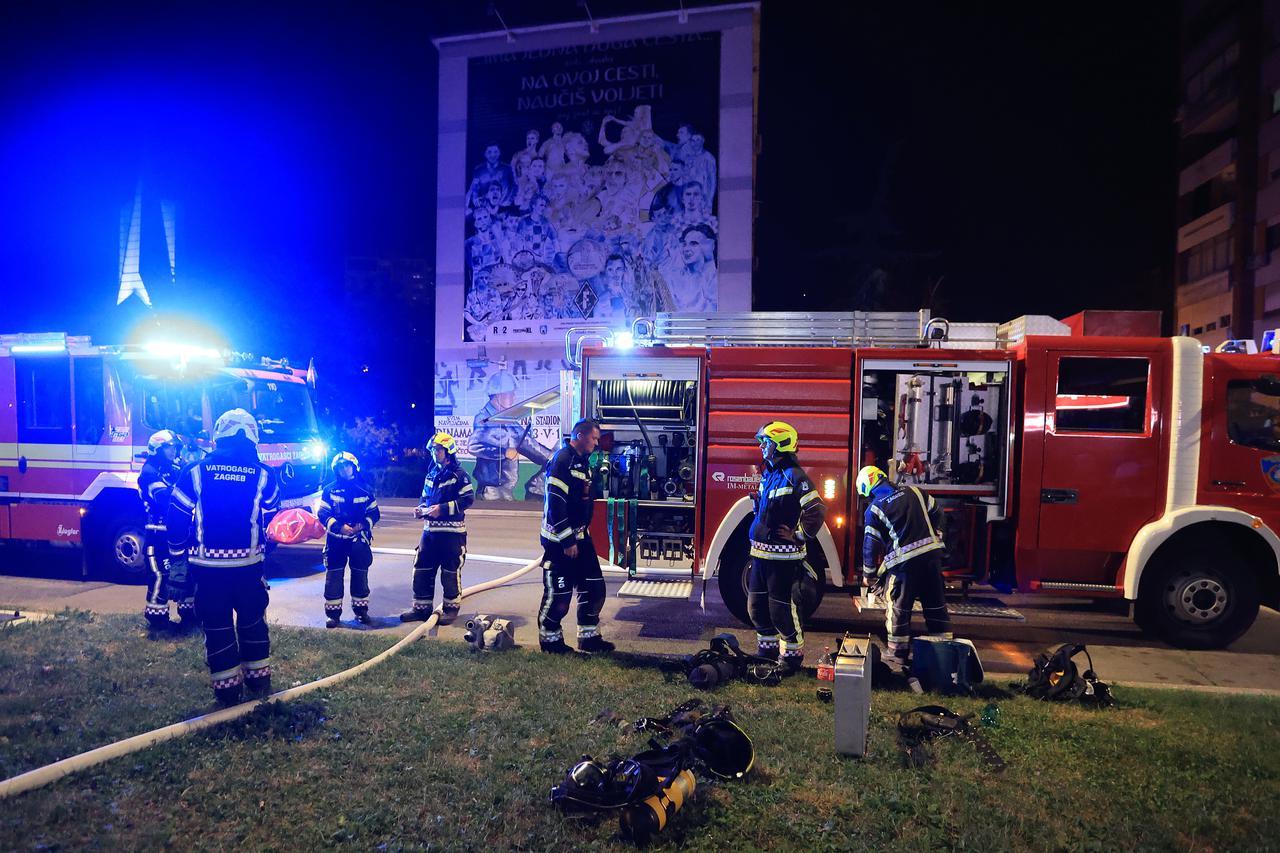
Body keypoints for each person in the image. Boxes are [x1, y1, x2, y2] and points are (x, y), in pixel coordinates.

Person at [166, 409, 280, 705]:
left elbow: (176, 519)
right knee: (253, 622)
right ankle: (258, 681)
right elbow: (273, 515)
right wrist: (266, 547)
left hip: (208, 570)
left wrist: (177, 559)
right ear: (252, 438)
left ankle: (227, 691)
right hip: (249, 568)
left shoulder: (194, 471)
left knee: (217, 626)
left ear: (219, 436)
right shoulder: (264, 474)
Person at [748, 422, 827, 672]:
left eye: (766, 442)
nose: (761, 446)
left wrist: (799, 535)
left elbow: (816, 509)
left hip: (783, 560)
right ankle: (767, 654)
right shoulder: (770, 474)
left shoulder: (795, 475)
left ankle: (791, 659)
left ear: (780, 444)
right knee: (757, 609)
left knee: (781, 611)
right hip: (760, 556)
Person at [857, 465, 952, 666]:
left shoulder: (874, 508)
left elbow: (870, 544)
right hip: (932, 557)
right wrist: (937, 533)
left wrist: (869, 574)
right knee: (935, 604)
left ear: (867, 488)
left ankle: (897, 652)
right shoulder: (915, 491)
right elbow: (938, 512)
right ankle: (945, 651)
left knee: (898, 607)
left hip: (904, 565)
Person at [538, 418, 613, 655]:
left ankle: (589, 638)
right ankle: (550, 642)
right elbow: (556, 503)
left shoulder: (581, 461)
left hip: (581, 538)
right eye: (594, 438)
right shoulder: (562, 460)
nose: (596, 443)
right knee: (559, 595)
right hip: (560, 542)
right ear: (580, 436)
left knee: (594, 587)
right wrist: (567, 541)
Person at [402, 432, 475, 623]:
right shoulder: (431, 474)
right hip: (430, 533)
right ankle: (421, 609)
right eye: (433, 450)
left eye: (439, 449)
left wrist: (441, 509)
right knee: (422, 568)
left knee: (450, 571)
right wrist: (421, 509)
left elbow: (468, 499)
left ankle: (450, 610)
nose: (435, 453)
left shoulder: (459, 475)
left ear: (449, 451)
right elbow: (425, 497)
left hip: (452, 534)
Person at [139, 429, 195, 631]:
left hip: (179, 532)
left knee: (187, 573)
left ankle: (189, 614)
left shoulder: (172, 468)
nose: (173, 451)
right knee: (161, 576)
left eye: (175, 448)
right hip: (158, 534)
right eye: (169, 447)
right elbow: (165, 499)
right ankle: (157, 620)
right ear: (157, 449)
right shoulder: (148, 473)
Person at [318, 452, 380, 628]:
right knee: (334, 577)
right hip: (336, 541)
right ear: (336, 470)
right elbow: (323, 513)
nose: (344, 469)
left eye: (347, 466)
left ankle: (361, 612)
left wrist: (362, 525)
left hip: (358, 541)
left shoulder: (365, 490)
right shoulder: (329, 490)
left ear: (354, 467)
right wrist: (339, 527)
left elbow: (374, 513)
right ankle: (333, 615)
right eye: (341, 467)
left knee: (360, 575)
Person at [468, 371, 553, 500]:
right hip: (490, 492)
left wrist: (553, 458)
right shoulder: (484, 419)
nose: (514, 397)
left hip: (506, 491)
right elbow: (474, 446)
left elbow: (528, 444)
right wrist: (504, 452)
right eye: (510, 393)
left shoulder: (510, 421)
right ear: (498, 395)